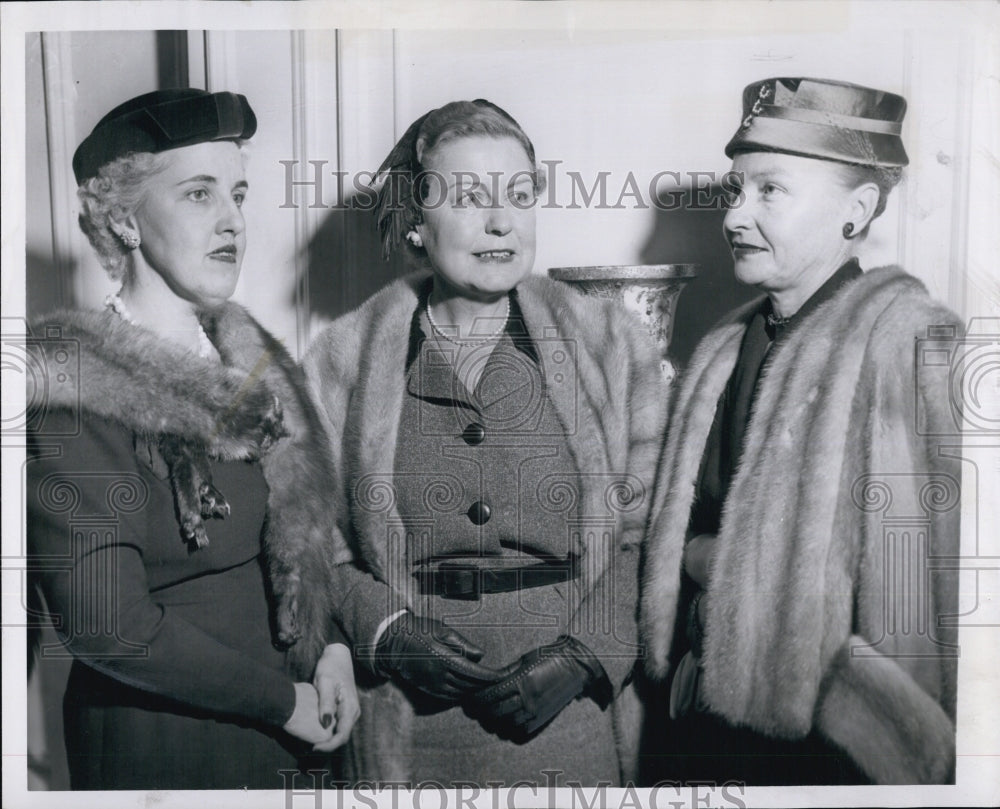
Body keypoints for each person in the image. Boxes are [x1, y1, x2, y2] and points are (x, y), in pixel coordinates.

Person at [302, 99, 667, 787]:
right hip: (407, 728)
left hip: (570, 722)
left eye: (519, 194)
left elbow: (651, 537)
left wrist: (584, 657)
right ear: (415, 220)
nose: (501, 221)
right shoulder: (341, 362)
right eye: (470, 197)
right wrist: (387, 634)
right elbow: (314, 546)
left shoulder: (612, 348)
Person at [26, 88, 359, 790]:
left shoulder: (253, 359)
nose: (234, 220)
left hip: (292, 740)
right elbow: (104, 622)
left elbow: (297, 552)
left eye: (237, 194)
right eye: (199, 195)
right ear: (124, 220)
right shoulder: (74, 387)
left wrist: (330, 649)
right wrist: (284, 701)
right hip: (168, 751)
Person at [639, 77, 961, 785]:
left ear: (858, 208)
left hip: (828, 755)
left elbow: (917, 606)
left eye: (769, 191)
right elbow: (677, 535)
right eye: (736, 190)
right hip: (701, 736)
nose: (734, 216)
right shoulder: (722, 347)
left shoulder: (905, 341)